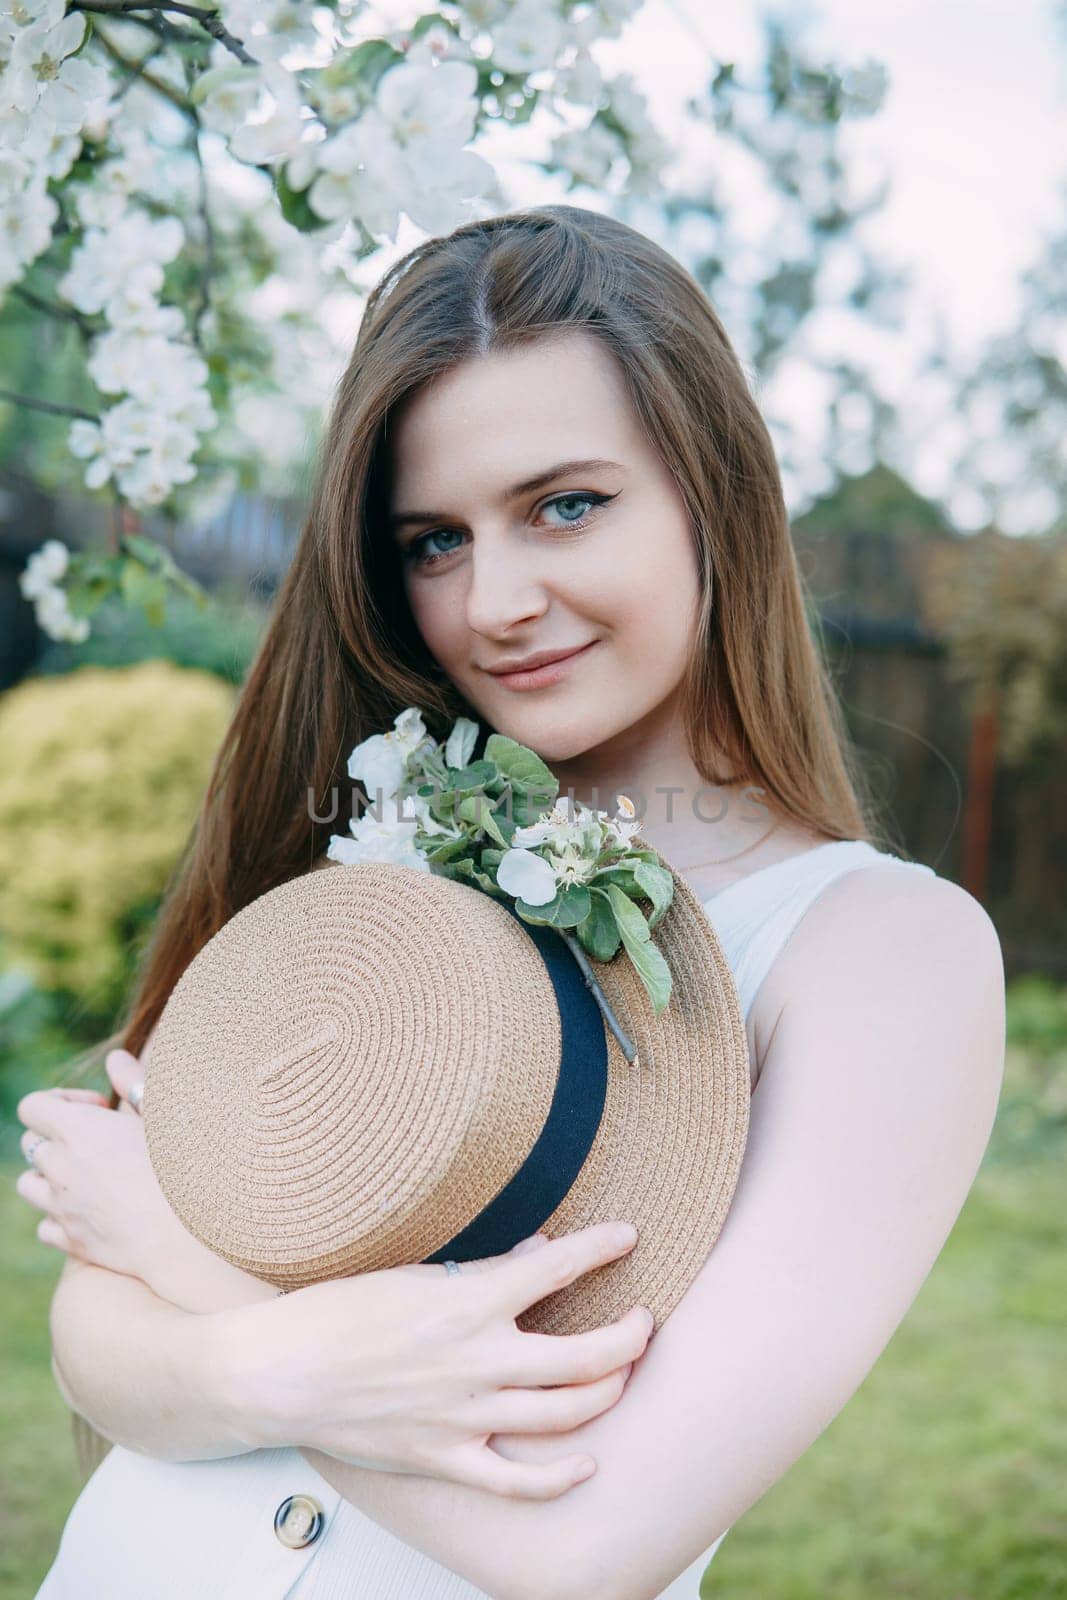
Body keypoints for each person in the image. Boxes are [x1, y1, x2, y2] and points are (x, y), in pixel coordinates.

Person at [15, 205, 1005, 1600]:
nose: (495, 603)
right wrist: (253, 1358)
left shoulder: (878, 952)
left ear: (715, 493)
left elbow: (582, 1540)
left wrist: (203, 1280)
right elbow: (93, 1340)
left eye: (566, 506)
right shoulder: (379, 850)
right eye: (433, 541)